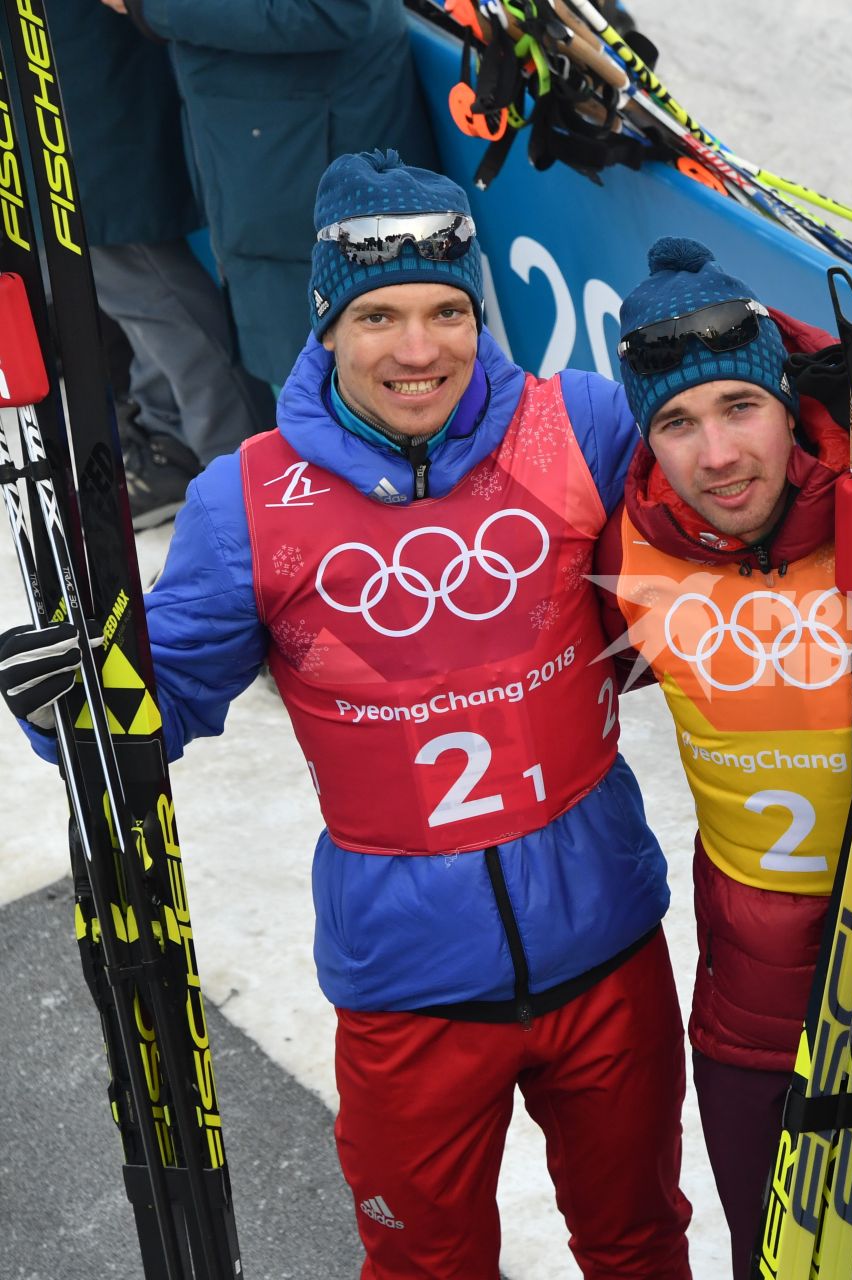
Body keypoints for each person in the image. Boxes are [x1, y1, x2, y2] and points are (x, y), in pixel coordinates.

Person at [2, 152, 691, 1278]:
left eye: (444, 311)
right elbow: (161, 703)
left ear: (477, 315)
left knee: (638, 1240)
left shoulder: (583, 425)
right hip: (410, 984)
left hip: (608, 947)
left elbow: (720, 527)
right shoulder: (251, 496)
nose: (417, 350)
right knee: (426, 1264)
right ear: (326, 324)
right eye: (378, 315)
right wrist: (72, 701)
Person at [594, 236, 852, 1279]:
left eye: (741, 407)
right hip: (762, 1011)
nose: (718, 455)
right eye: (678, 422)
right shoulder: (625, 553)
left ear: (791, 405)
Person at [110, 0, 439, 388]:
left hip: (318, 182)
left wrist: (154, 7)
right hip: (265, 172)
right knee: (304, 401)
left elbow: (341, 11)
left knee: (356, 404)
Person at [49, 0, 273, 525]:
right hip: (65, 74)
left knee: (137, 274)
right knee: (125, 282)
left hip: (92, 78)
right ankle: (173, 442)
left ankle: (241, 476)